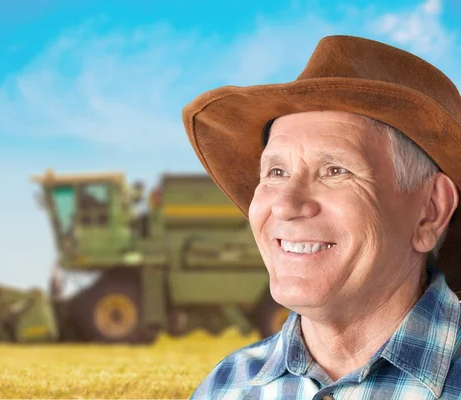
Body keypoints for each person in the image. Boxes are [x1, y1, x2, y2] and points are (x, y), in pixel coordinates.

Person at [183, 35, 461, 399]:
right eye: (276, 173)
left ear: (430, 211)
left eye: (335, 170)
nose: (285, 205)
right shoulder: (226, 387)